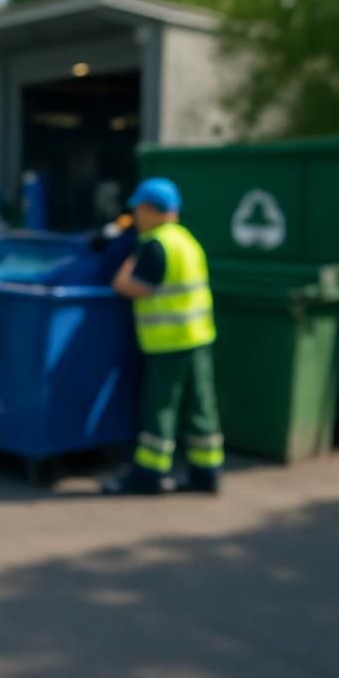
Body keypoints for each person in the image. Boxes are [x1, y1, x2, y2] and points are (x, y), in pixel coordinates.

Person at [105, 177, 224, 496]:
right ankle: (207, 471)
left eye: (138, 209)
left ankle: (148, 474)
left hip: (168, 342)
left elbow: (128, 286)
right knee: (201, 405)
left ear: (150, 209)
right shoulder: (187, 240)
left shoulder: (156, 244)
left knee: (160, 407)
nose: (136, 215)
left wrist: (129, 254)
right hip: (198, 337)